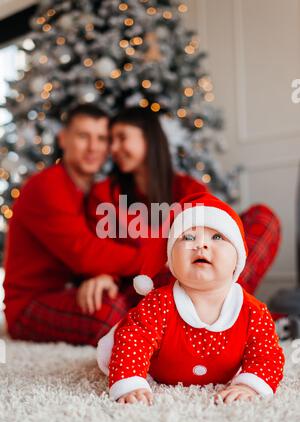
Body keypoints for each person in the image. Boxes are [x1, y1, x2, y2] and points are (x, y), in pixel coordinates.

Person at [97, 192, 285, 404]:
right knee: (124, 335)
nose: (201, 245)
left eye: (217, 237)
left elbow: (267, 356)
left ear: (238, 259)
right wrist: (131, 383)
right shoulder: (158, 304)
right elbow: (134, 340)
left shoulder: (253, 312)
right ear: (171, 260)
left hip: (224, 371)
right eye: (188, 237)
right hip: (159, 370)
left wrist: (249, 385)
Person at [88, 107, 281, 296]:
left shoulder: (188, 189)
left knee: (263, 218)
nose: (112, 148)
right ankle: (225, 315)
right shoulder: (105, 194)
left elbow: (210, 242)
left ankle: (221, 309)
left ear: (149, 138)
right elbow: (101, 251)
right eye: (111, 141)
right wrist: (108, 276)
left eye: (122, 138)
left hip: (196, 274)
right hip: (150, 284)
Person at [3, 104, 143, 346]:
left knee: (138, 299)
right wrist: (149, 260)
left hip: (77, 288)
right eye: (83, 136)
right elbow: (86, 254)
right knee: (108, 313)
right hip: (33, 303)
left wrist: (105, 275)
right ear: (64, 139)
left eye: (101, 138)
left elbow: (103, 249)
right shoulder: (47, 186)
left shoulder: (96, 191)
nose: (93, 147)